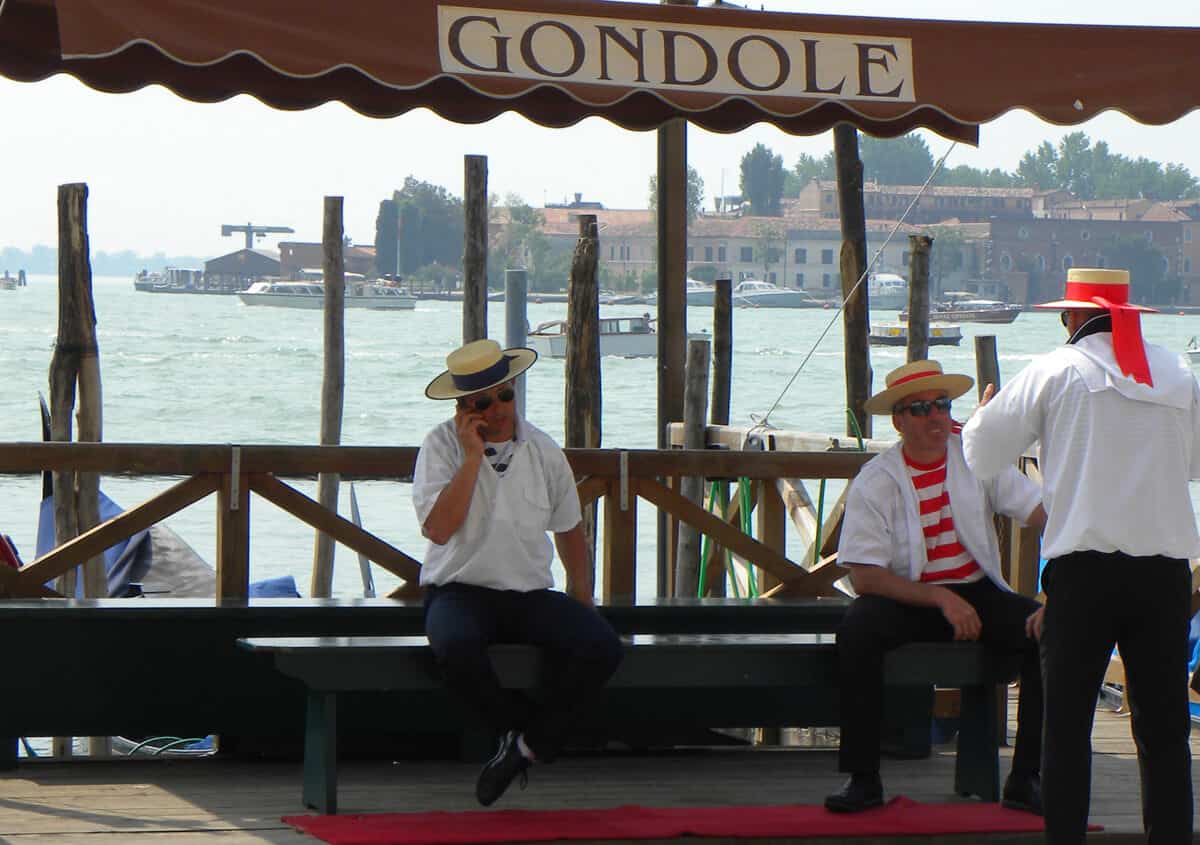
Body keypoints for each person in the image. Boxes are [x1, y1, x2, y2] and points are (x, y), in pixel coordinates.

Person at [962, 268, 1197, 844]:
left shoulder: (1053, 369)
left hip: (1085, 573)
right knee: (1164, 731)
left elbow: (979, 453)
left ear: (1071, 316)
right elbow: (1193, 465)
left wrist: (988, 410)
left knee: (1066, 729)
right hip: (1164, 573)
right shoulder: (1179, 372)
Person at [825, 360, 1047, 814]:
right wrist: (940, 598)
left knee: (1047, 634)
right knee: (856, 632)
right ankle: (863, 779)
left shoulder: (975, 457)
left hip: (977, 590)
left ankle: (1026, 777)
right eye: (921, 408)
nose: (935, 416)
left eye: (942, 405)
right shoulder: (876, 479)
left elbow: (1042, 511)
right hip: (907, 595)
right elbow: (865, 577)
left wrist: (1068, 579)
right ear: (899, 420)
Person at [412, 338, 623, 807]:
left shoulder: (544, 448)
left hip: (529, 593)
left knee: (603, 645)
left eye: (506, 395)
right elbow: (440, 529)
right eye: (484, 402)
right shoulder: (440, 446)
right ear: (465, 408)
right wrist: (471, 458)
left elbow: (569, 527)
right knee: (454, 647)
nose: (499, 409)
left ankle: (526, 746)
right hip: (459, 590)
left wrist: (582, 596)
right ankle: (518, 729)